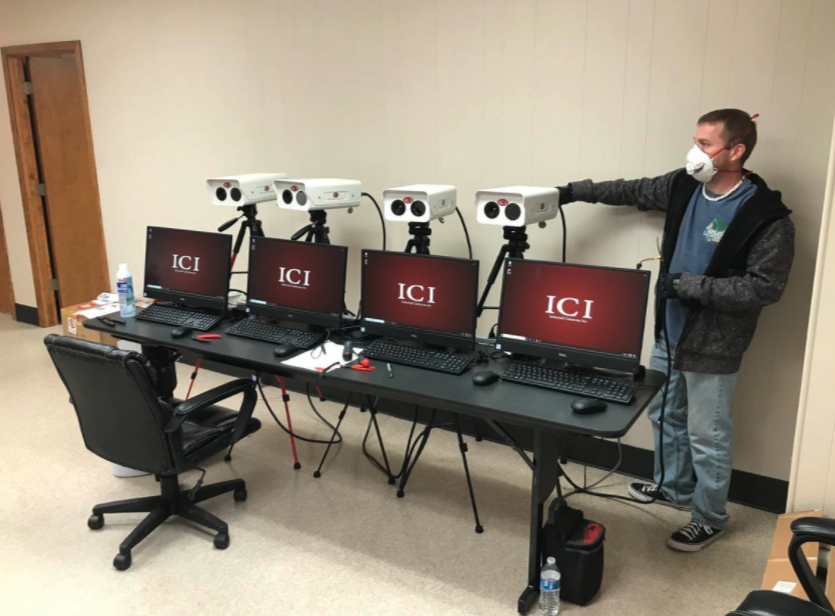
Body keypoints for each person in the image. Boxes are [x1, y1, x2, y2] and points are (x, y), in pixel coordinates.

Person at [558, 109, 795, 552]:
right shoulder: (685, 185)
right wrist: (571, 192)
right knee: (664, 415)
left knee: (708, 435)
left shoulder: (766, 216)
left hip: (714, 343)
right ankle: (673, 487)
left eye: (705, 144)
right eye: (695, 141)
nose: (695, 152)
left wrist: (689, 285)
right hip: (668, 331)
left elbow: (765, 287)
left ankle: (709, 518)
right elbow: (632, 189)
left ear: (736, 151)